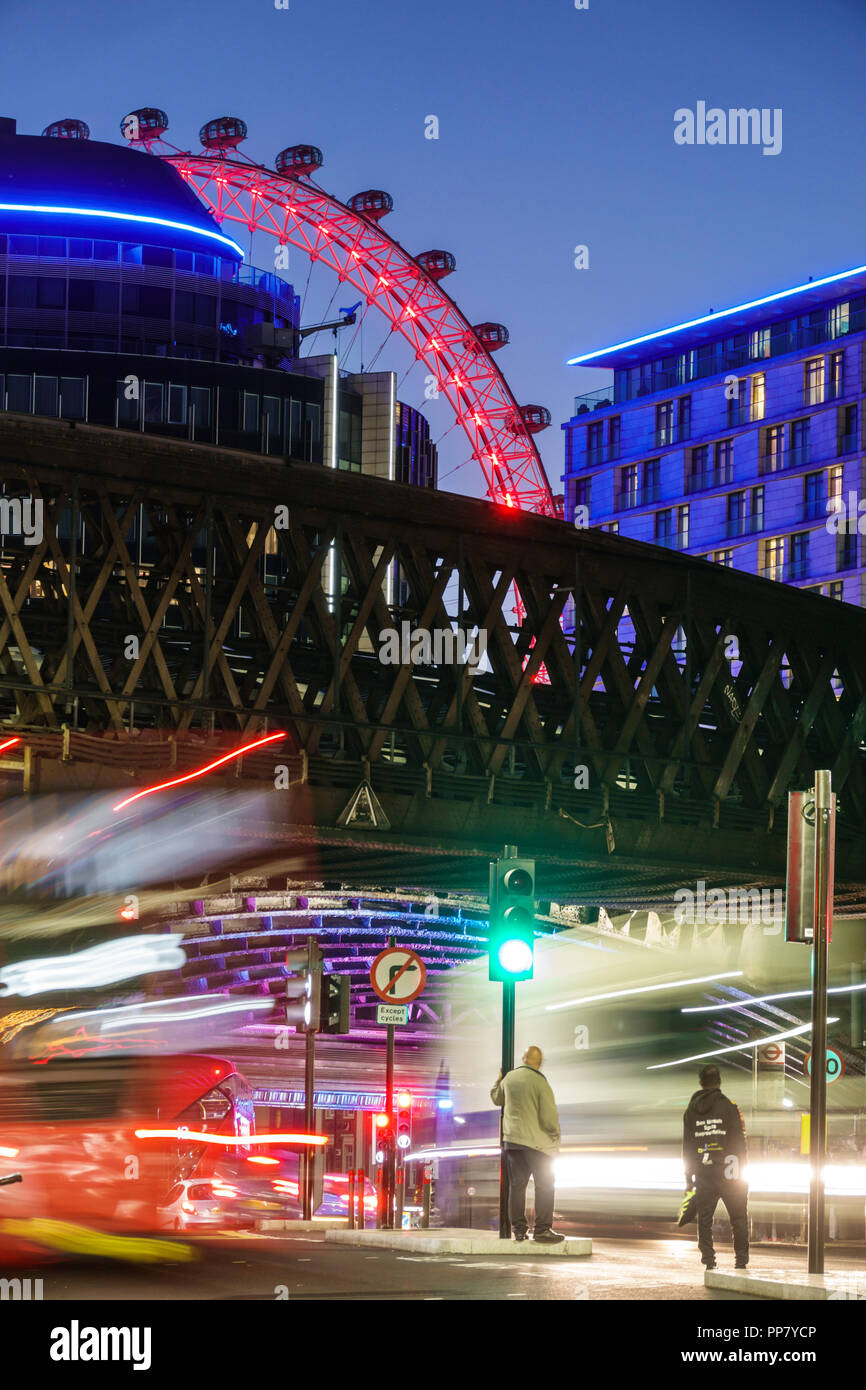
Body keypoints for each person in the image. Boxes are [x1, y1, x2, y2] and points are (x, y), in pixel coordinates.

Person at [490, 1044, 563, 1243]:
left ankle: (519, 1230)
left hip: (512, 1142)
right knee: (545, 1185)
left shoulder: (510, 1078)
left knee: (517, 1186)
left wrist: (498, 1079)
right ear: (538, 1063)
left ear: (523, 1059)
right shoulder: (540, 1082)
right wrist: (555, 1135)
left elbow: (497, 1098)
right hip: (537, 1144)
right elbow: (548, 1117)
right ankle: (542, 1229)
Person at [682, 1063, 749, 1271]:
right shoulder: (730, 1107)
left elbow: (688, 1146)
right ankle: (740, 1261)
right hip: (730, 1172)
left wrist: (689, 1178)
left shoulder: (690, 1111)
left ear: (701, 1083)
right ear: (719, 1082)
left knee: (704, 1219)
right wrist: (742, 1173)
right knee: (738, 1217)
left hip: (704, 1171)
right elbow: (739, 1143)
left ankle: (709, 1262)